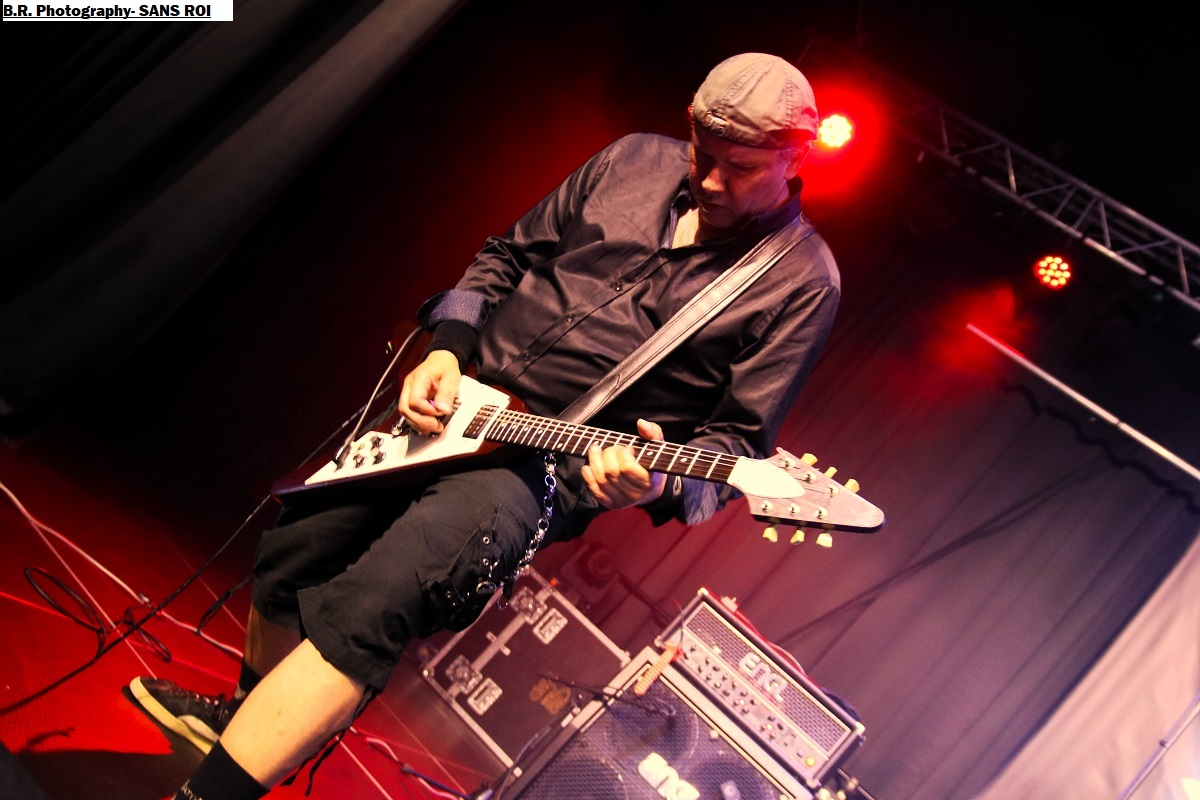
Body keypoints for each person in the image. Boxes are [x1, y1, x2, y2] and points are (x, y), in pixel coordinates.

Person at [128, 52, 841, 800]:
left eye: (742, 168)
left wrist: (654, 481)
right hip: (459, 402)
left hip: (539, 474)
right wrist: (446, 348)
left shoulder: (801, 280)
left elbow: (735, 450)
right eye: (704, 155)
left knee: (376, 603)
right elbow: (504, 255)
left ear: (795, 159)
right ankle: (241, 720)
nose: (713, 181)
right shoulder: (631, 158)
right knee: (291, 551)